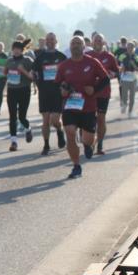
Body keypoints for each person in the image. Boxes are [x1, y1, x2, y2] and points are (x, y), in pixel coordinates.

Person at [55, 35, 111, 179]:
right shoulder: (64, 65)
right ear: (70, 46)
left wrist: (94, 89)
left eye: (78, 43)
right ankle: (76, 166)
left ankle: (88, 146)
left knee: (88, 139)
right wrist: (62, 91)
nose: (75, 45)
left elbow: (105, 80)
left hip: (88, 106)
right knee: (70, 133)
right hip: (70, 106)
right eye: (73, 43)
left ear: (83, 47)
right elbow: (57, 84)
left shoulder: (93, 62)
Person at [33, 32, 68, 155]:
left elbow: (67, 74)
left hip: (57, 92)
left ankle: (59, 130)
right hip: (44, 92)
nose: (50, 41)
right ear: (46, 41)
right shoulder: (40, 57)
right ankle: (46, 145)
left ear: (56, 41)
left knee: (55, 120)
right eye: (48, 39)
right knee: (46, 120)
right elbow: (34, 73)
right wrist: (38, 85)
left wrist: (65, 87)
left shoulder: (62, 57)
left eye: (52, 39)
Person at [86, 32, 120, 155]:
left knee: (101, 119)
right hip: (89, 93)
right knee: (89, 120)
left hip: (103, 93)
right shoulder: (87, 55)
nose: (98, 43)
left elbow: (117, 72)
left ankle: (99, 145)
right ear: (92, 42)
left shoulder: (109, 57)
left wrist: (111, 74)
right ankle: (88, 141)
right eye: (96, 40)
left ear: (104, 42)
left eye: (100, 41)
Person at [4, 39, 35, 151]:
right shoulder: (9, 60)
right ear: (12, 50)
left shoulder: (28, 60)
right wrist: (6, 72)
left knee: (22, 117)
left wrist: (23, 71)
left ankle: (28, 129)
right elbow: (5, 72)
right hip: (12, 90)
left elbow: (32, 77)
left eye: (18, 49)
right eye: (14, 49)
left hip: (24, 90)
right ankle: (14, 142)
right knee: (12, 117)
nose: (16, 51)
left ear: (22, 50)